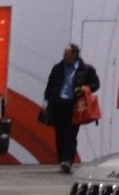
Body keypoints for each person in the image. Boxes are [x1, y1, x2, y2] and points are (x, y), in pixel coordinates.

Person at [43, 43, 101, 174]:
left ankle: (68, 160)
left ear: (75, 55)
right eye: (64, 53)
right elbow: (50, 85)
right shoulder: (58, 68)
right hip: (59, 104)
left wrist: (87, 88)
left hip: (74, 105)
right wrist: (46, 101)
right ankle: (62, 159)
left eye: (67, 53)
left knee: (71, 133)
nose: (64, 56)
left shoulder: (86, 69)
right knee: (60, 134)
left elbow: (96, 84)